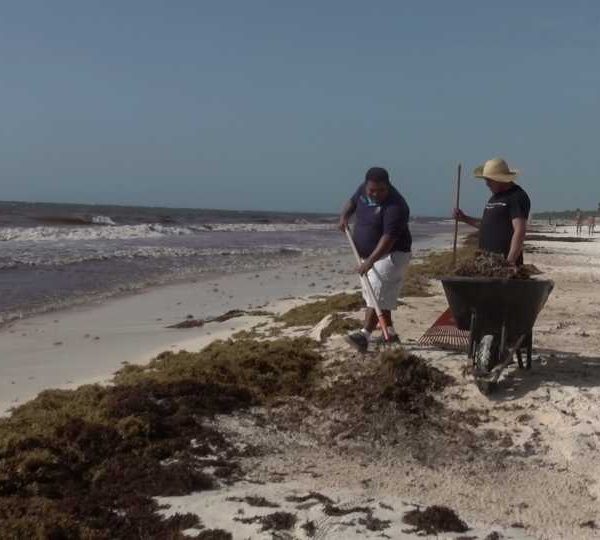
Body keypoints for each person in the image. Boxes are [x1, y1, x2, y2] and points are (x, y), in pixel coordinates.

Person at [338, 166, 412, 352]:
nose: (376, 194)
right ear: (366, 185)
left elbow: (388, 239)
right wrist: (344, 216)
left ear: (388, 186)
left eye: (381, 190)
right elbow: (352, 202)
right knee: (379, 297)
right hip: (367, 255)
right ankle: (391, 335)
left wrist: (370, 261)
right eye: (372, 190)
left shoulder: (397, 206)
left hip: (392, 254)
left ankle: (364, 335)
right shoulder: (363, 190)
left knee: (377, 294)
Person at [454, 157, 530, 266]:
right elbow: (487, 225)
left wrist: (510, 262)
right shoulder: (495, 197)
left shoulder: (517, 196)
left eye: (489, 180)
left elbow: (520, 231)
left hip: (504, 264)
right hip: (486, 262)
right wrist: (464, 218)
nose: (486, 184)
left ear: (499, 179)